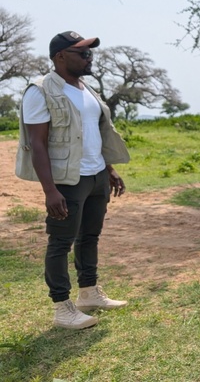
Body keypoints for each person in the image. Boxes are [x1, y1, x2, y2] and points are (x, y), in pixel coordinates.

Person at [15, 31, 131, 330]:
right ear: (60, 57)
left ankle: (89, 293)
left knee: (90, 236)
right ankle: (62, 307)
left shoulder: (86, 89)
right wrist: (50, 190)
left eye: (90, 53)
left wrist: (109, 169)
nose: (89, 57)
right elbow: (38, 144)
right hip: (67, 179)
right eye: (82, 53)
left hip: (95, 175)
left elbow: (95, 134)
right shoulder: (39, 92)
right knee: (60, 242)